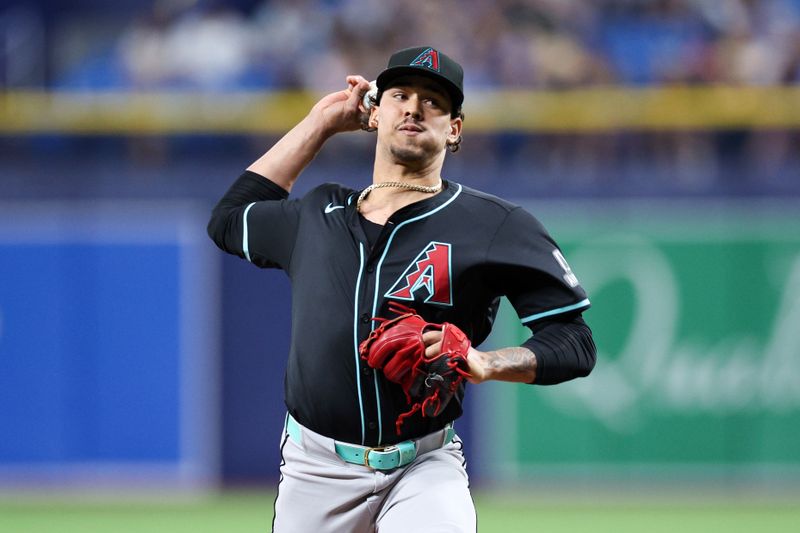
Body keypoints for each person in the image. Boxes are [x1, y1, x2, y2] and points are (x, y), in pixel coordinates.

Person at [207, 46, 596, 533]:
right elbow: (227, 221)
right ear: (374, 112)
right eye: (400, 95)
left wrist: (486, 362)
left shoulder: (495, 225)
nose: (414, 107)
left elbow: (576, 342)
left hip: (422, 466)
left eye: (433, 101)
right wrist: (321, 123)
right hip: (314, 469)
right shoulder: (316, 215)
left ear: (454, 129)